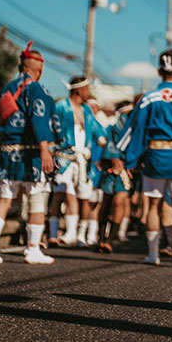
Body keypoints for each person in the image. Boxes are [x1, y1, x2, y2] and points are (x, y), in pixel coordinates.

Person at [115, 50, 172, 268]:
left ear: (159, 71)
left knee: (154, 205)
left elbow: (134, 131)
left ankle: (153, 254)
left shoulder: (148, 98)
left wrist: (128, 159)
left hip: (156, 155)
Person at [0, 42, 58, 265]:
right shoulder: (37, 89)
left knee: (4, 199)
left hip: (7, 153)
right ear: (40, 69)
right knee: (37, 201)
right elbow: (40, 118)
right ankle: (33, 249)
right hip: (31, 155)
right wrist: (45, 149)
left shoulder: (6, 88)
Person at [47, 77, 104, 247]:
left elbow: (96, 128)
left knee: (83, 198)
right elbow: (50, 129)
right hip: (64, 158)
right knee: (64, 194)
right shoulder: (61, 107)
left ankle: (80, 236)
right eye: (87, 88)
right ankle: (59, 233)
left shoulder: (86, 109)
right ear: (78, 90)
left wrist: (100, 138)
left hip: (82, 161)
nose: (89, 92)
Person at [98, 101, 135, 252]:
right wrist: (113, 157)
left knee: (120, 201)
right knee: (106, 202)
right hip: (112, 167)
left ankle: (110, 240)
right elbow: (111, 140)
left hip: (128, 168)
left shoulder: (144, 123)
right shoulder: (121, 122)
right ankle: (100, 238)